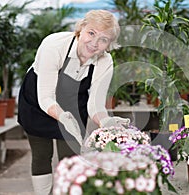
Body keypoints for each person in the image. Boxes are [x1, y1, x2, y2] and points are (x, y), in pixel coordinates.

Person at [17, 9, 129, 195]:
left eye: (103, 39)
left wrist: (106, 121)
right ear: (81, 29)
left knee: (71, 158)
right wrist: (62, 117)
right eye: (91, 33)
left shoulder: (104, 62)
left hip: (73, 102)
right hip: (38, 100)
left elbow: (95, 104)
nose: (94, 43)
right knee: (41, 155)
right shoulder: (54, 45)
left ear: (109, 44)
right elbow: (45, 97)